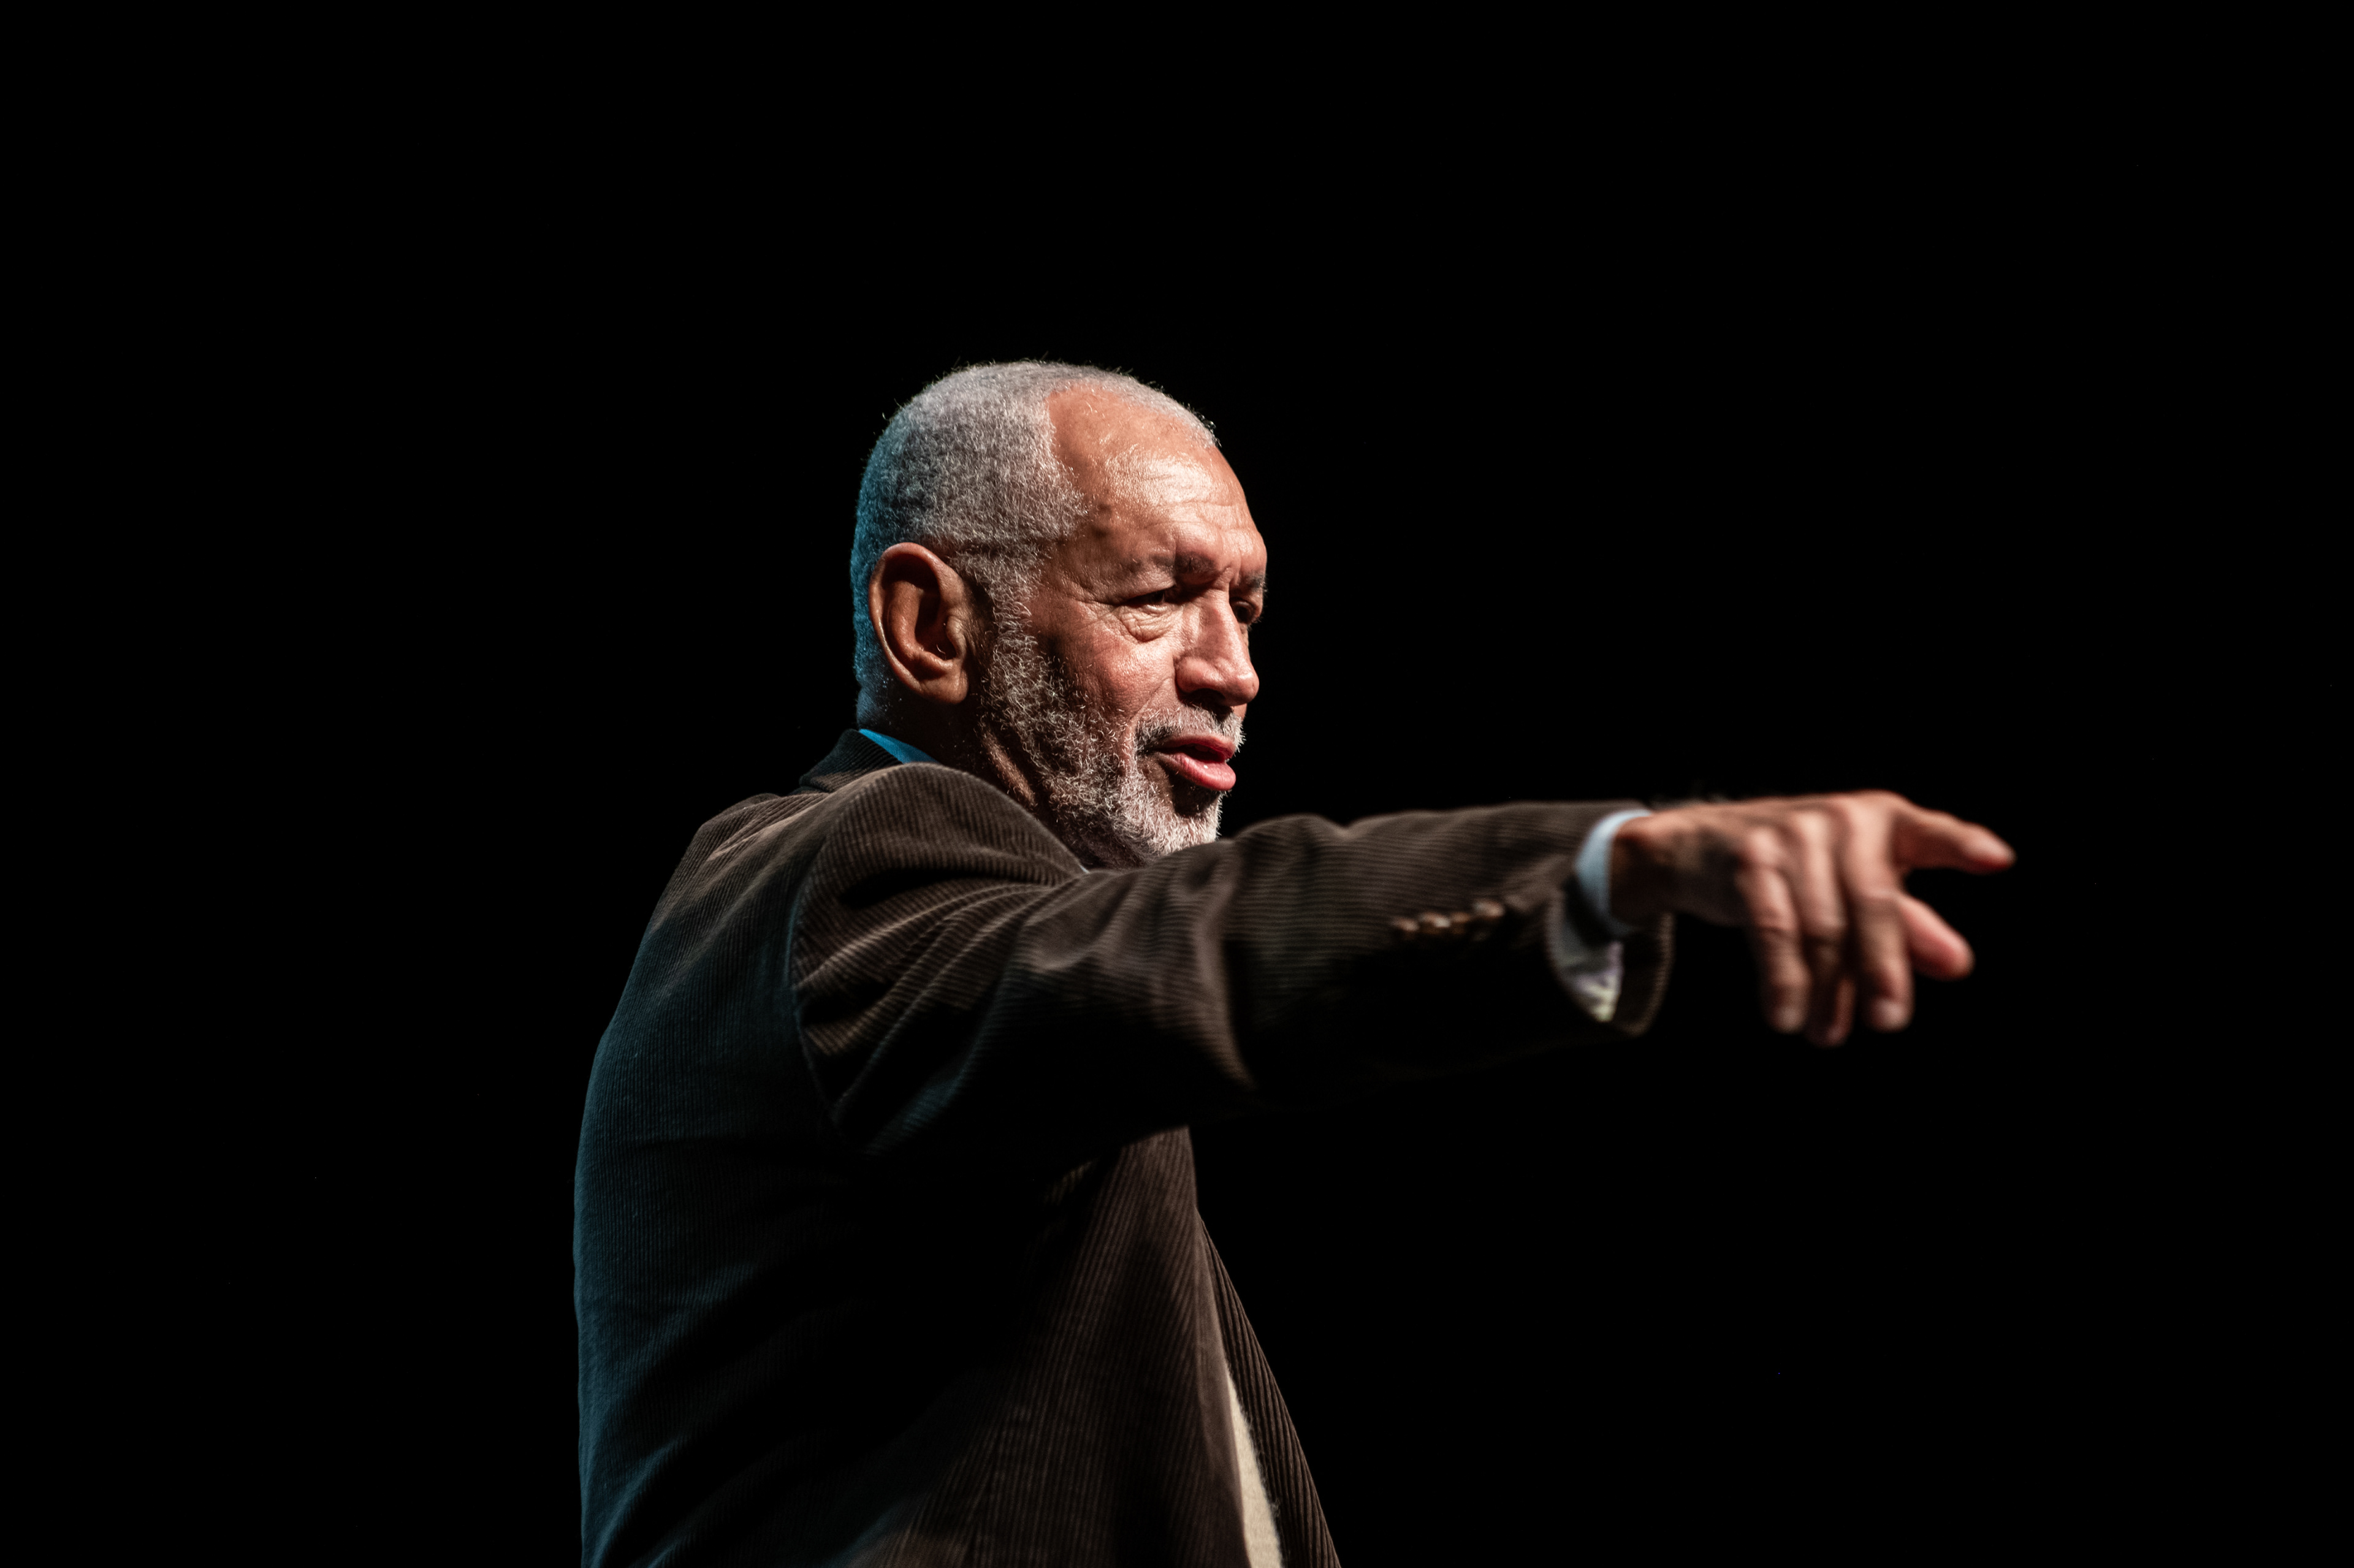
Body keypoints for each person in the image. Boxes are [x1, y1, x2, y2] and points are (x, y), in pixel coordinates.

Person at [573, 363, 2014, 1566]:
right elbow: (1168, 954)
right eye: (1158, 596)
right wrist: (1609, 867)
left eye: (1248, 608)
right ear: (930, 625)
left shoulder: (1009, 1042)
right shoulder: (857, 857)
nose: (1234, 669)